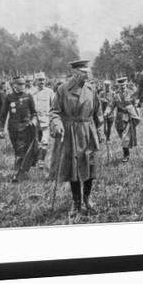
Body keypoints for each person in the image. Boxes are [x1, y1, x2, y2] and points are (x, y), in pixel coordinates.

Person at [49, 59, 104, 215]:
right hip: (71, 133)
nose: (87, 75)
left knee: (90, 165)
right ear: (75, 73)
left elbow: (97, 113)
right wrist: (57, 124)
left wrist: (99, 131)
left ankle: (87, 199)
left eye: (87, 72)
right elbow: (54, 112)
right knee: (73, 169)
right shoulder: (63, 90)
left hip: (88, 131)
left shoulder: (91, 89)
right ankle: (76, 202)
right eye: (83, 72)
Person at [0, 76, 38, 179]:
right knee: (17, 149)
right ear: (14, 85)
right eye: (20, 84)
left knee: (23, 150)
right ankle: (21, 171)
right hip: (13, 128)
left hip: (26, 128)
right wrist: (0, 130)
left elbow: (34, 112)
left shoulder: (28, 96)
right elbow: (3, 115)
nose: (22, 86)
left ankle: (19, 173)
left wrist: (33, 121)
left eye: (23, 84)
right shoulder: (9, 97)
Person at [105, 77, 140, 162]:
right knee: (122, 136)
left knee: (125, 137)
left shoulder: (131, 93)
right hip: (119, 119)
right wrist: (106, 112)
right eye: (121, 85)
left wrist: (136, 114)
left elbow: (136, 104)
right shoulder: (115, 94)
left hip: (128, 117)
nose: (122, 87)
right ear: (118, 85)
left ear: (126, 84)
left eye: (124, 85)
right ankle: (126, 148)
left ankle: (126, 155)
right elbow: (111, 105)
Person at [32, 71, 55, 170]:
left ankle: (41, 161)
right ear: (35, 81)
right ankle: (35, 161)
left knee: (45, 142)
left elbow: (54, 107)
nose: (41, 82)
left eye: (43, 80)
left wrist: (52, 119)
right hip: (34, 122)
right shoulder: (31, 92)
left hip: (46, 121)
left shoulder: (49, 92)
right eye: (39, 80)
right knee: (35, 143)